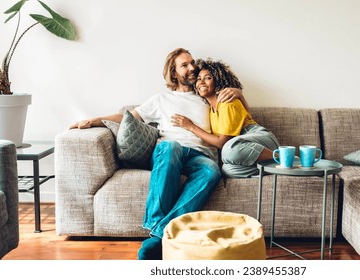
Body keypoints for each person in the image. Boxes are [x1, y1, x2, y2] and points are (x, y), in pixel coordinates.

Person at [69, 48, 247, 260]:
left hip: (200, 154)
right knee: (170, 147)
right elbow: (128, 117)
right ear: (173, 72)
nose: (192, 68)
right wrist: (94, 120)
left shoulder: (206, 96)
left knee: (211, 171)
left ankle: (158, 233)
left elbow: (239, 112)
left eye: (192, 63)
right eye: (184, 65)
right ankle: (158, 227)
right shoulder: (161, 99)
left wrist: (239, 93)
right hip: (169, 150)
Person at [172, 58, 279, 178]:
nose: (201, 82)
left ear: (217, 81)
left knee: (228, 149)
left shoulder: (226, 101)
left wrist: (191, 127)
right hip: (242, 148)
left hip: (261, 140)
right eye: (199, 79)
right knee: (227, 170)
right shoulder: (210, 109)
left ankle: (284, 157)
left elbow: (222, 142)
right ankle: (275, 167)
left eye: (208, 78)